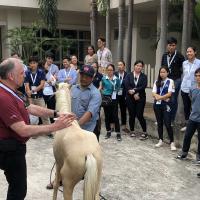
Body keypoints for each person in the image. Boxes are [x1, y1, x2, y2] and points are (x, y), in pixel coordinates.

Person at [0, 58, 76, 200]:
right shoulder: (3, 97)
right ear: (11, 76)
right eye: (22, 73)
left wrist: (56, 113)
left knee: (18, 188)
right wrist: (55, 126)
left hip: (14, 147)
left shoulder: (13, 91)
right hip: (9, 150)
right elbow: (22, 130)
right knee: (18, 190)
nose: (25, 75)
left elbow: (31, 108)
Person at [46, 65, 102, 190]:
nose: (83, 78)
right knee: (61, 152)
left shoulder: (95, 93)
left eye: (87, 76)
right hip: (71, 127)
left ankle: (89, 182)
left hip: (88, 130)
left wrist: (75, 125)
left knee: (88, 160)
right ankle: (58, 179)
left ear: (92, 78)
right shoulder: (72, 89)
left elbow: (90, 113)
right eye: (82, 75)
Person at [177, 68, 200, 162]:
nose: (198, 77)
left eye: (199, 76)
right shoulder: (193, 88)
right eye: (196, 75)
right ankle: (184, 153)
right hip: (193, 117)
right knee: (187, 136)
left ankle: (199, 158)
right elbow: (191, 100)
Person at [161, 37, 185, 125]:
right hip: (165, 80)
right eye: (170, 45)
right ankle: (163, 118)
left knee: (173, 99)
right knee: (164, 98)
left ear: (176, 46)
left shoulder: (179, 55)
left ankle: (171, 120)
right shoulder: (164, 55)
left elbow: (184, 68)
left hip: (176, 80)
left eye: (173, 45)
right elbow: (162, 68)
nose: (171, 47)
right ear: (167, 46)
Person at [152, 66, 176, 151]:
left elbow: (170, 94)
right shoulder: (156, 81)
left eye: (164, 72)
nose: (162, 74)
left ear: (167, 73)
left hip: (166, 105)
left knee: (167, 123)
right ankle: (160, 140)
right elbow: (153, 93)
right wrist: (159, 97)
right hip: (157, 105)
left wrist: (159, 97)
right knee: (159, 123)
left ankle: (172, 142)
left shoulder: (170, 81)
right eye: (161, 72)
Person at [124, 60, 148, 140]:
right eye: (137, 65)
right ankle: (132, 131)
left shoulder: (144, 76)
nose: (138, 67)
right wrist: (133, 94)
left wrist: (135, 91)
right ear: (134, 66)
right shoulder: (128, 75)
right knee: (132, 114)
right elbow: (126, 85)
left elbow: (143, 86)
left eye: (140, 66)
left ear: (142, 67)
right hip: (130, 98)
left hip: (140, 98)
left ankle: (145, 132)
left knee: (139, 114)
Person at [24, 56, 49, 126]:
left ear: (37, 63)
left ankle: (48, 131)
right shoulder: (27, 73)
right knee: (32, 115)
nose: (32, 65)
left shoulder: (41, 72)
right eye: (31, 63)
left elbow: (42, 85)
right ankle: (33, 132)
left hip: (39, 97)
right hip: (30, 97)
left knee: (44, 113)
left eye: (34, 63)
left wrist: (31, 91)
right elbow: (27, 84)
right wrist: (29, 93)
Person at [100, 64, 122, 141]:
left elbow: (119, 88)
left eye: (111, 70)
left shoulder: (117, 79)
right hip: (106, 98)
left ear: (113, 71)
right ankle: (108, 131)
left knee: (115, 116)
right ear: (106, 70)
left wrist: (115, 90)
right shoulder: (104, 78)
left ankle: (118, 133)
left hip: (114, 98)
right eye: (108, 70)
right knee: (107, 116)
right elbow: (102, 87)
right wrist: (104, 92)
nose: (110, 71)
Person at [180, 46, 200, 131]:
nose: (188, 53)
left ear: (195, 52)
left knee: (195, 107)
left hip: (195, 88)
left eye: (190, 51)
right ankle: (188, 125)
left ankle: (197, 127)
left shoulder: (199, 62)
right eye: (187, 52)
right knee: (186, 107)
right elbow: (184, 75)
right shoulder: (184, 63)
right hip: (184, 88)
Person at [115, 61, 129, 133]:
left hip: (123, 95)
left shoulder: (127, 75)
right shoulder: (115, 74)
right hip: (116, 94)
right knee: (114, 110)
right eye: (118, 65)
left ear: (124, 66)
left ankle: (124, 126)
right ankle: (114, 125)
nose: (119, 66)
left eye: (121, 65)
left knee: (123, 110)